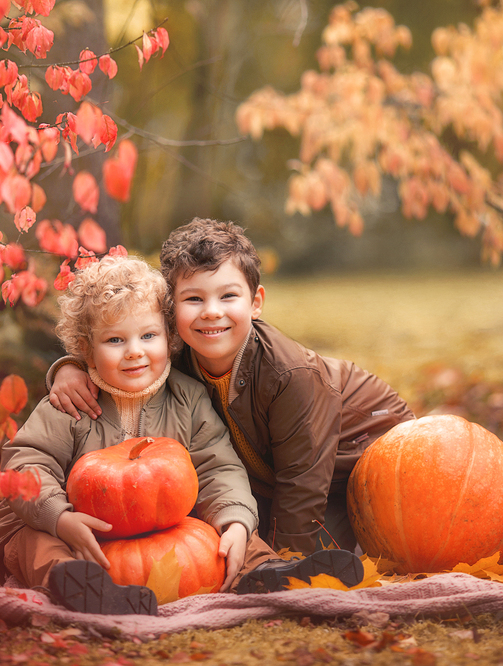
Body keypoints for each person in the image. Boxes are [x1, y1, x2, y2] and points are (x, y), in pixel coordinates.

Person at [0, 255, 363, 616]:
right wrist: (59, 518)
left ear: (169, 337)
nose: (134, 352)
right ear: (86, 350)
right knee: (33, 541)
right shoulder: (70, 404)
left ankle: (270, 572)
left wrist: (234, 521)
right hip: (72, 524)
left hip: (153, 523)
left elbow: (217, 466)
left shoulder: (188, 397)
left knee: (223, 536)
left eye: (148, 336)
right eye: (115, 341)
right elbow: (26, 464)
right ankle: (76, 586)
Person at [48, 220, 416, 556]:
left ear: (255, 303)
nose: (211, 312)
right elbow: (122, 355)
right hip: (276, 475)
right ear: (170, 311)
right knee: (233, 526)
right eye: (194, 299)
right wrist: (71, 368)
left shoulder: (290, 376)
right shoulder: (178, 356)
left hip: (362, 458)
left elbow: (302, 487)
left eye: (228, 297)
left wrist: (284, 565)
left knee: (320, 544)